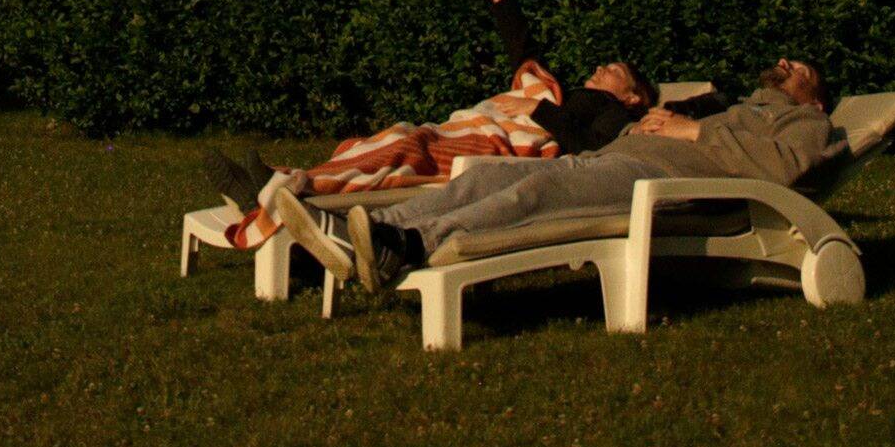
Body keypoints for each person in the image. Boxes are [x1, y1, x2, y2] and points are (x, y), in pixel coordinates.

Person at [204, 0, 657, 255]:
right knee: (389, 140)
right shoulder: (555, 87)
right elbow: (518, 39)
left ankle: (281, 191)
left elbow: (595, 147)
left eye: (614, 69)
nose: (600, 68)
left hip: (502, 146)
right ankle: (277, 187)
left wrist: (537, 109)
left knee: (405, 149)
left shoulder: (613, 115)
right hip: (471, 125)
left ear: (634, 96)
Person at [289, 55, 837, 293]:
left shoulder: (806, 125)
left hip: (653, 184)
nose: (786, 64)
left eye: (799, 67)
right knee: (482, 180)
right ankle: (360, 229)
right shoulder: (745, 109)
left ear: (815, 97)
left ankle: (404, 245)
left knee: (538, 189)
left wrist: (690, 133)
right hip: (620, 160)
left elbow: (783, 169)